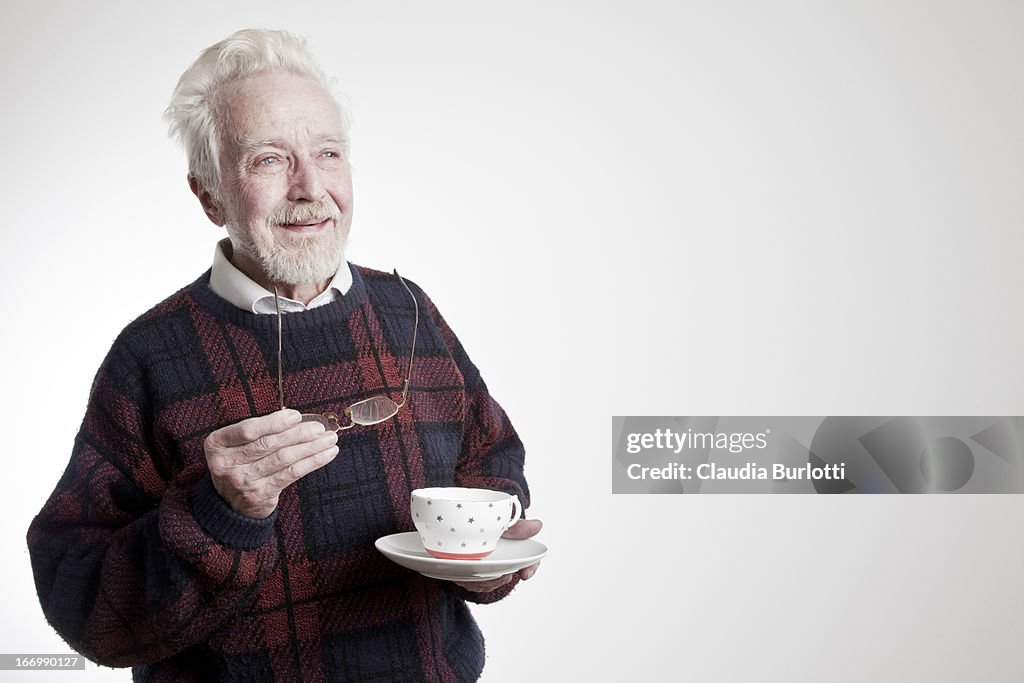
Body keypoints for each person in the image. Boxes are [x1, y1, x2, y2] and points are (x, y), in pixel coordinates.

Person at [27, 28, 539, 682]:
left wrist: (488, 547)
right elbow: (86, 603)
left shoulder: (409, 308)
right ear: (209, 193)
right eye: (269, 159)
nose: (309, 187)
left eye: (328, 153)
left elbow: (491, 458)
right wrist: (219, 516)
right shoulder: (150, 356)